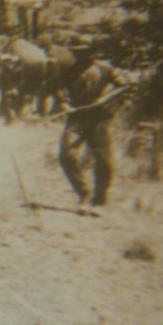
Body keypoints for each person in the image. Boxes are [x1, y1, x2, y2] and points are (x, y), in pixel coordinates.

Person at [57, 45, 132, 211]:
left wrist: (104, 99)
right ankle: (84, 193)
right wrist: (64, 104)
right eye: (78, 52)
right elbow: (60, 91)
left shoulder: (105, 69)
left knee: (105, 162)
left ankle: (99, 201)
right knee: (66, 155)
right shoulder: (69, 71)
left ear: (93, 53)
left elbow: (124, 86)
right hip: (77, 120)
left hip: (99, 119)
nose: (82, 56)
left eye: (86, 52)